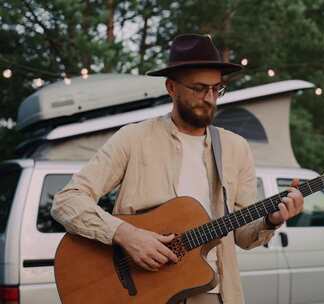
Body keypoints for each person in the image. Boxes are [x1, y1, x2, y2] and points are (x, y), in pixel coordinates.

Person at [51, 33, 304, 304]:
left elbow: (242, 235)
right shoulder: (133, 139)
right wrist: (126, 234)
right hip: (144, 293)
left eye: (216, 89)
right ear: (171, 87)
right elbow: (67, 201)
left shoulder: (236, 148)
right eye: (198, 88)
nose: (209, 98)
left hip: (212, 291)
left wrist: (270, 221)